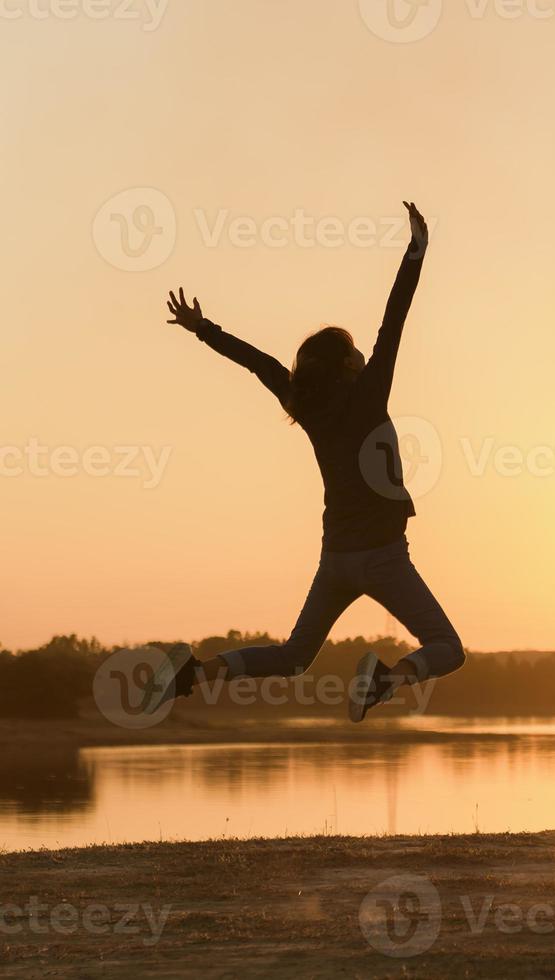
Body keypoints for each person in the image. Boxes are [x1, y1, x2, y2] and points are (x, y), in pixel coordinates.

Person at [145, 202, 464, 722]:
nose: (365, 355)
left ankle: (195, 674)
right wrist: (416, 250)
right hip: (384, 557)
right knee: (447, 649)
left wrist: (204, 330)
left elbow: (260, 365)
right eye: (357, 352)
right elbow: (395, 320)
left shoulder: (304, 403)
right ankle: (386, 680)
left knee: (294, 657)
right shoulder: (368, 394)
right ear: (346, 364)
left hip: (336, 558)